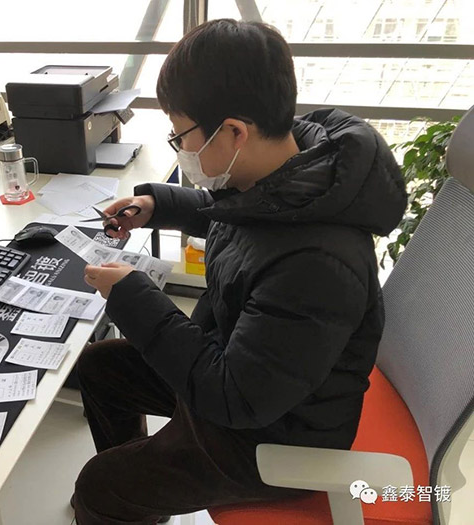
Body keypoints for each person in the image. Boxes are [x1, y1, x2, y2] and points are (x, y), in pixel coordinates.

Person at [74, 19, 407, 525]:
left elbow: (235, 400)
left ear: (233, 132)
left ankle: (121, 500)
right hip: (250, 369)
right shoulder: (287, 173)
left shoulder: (316, 264)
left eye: (181, 135)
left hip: (272, 434)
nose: (181, 149)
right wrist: (159, 205)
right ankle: (140, 500)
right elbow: (235, 216)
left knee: (98, 488)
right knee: (102, 369)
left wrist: (132, 297)